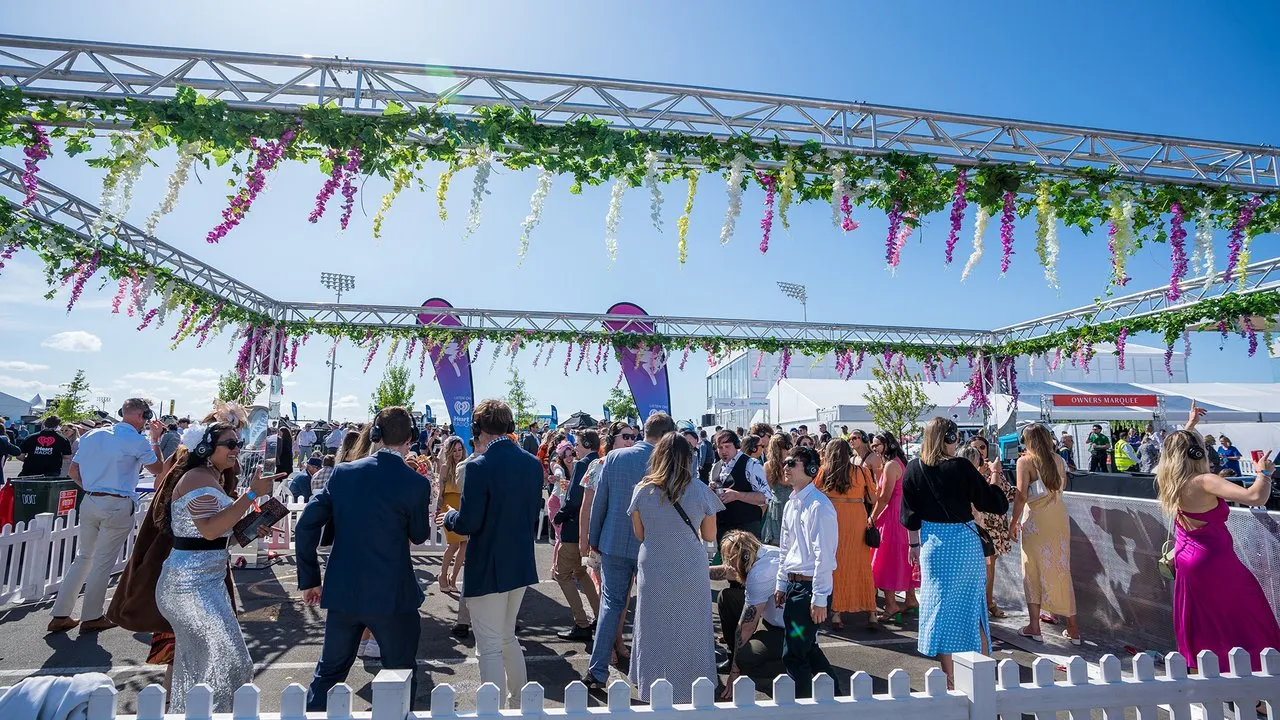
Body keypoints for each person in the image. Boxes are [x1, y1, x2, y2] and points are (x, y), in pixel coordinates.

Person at [297, 407, 434, 712]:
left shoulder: (344, 473)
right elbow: (420, 535)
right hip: (392, 594)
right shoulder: (415, 483)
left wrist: (310, 579)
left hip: (345, 590)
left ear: (375, 435)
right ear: (410, 438)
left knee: (330, 671)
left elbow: (306, 523)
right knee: (400, 672)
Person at [155, 422, 280, 712]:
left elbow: (214, 536)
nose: (237, 449)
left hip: (205, 583)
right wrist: (251, 495)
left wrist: (250, 530)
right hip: (188, 586)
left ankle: (189, 713)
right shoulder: (197, 477)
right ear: (207, 449)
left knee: (197, 667)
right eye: (230, 444)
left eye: (239, 443)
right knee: (232, 663)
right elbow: (210, 531)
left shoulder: (210, 478)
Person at [1161, 402, 1280, 675]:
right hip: (1214, 561)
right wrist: (1264, 472)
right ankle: (1258, 681)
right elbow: (1255, 497)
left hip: (1187, 561)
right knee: (1248, 617)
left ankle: (1208, 674)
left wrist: (1190, 425)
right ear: (1197, 452)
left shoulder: (1170, 479)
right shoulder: (1204, 480)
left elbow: (1170, 451)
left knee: (1204, 621)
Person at [439, 400, 543, 710]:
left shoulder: (478, 466)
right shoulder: (531, 463)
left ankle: (493, 710)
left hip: (489, 565)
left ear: (478, 429)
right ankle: (520, 702)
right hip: (520, 561)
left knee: (489, 647)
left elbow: (469, 522)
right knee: (507, 637)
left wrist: (449, 518)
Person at [901, 417, 1010, 685]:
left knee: (941, 611)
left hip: (933, 547)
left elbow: (909, 517)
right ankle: (983, 681)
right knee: (973, 612)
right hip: (963, 547)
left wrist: (913, 545)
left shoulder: (914, 468)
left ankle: (950, 680)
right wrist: (994, 475)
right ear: (949, 438)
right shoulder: (961, 467)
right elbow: (994, 503)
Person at [48, 398, 169, 634]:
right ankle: (91, 616)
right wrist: (155, 440)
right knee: (102, 562)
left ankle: (61, 613)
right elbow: (158, 470)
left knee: (84, 557)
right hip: (117, 502)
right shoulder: (137, 440)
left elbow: (74, 470)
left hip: (92, 498)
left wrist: (94, 489)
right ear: (140, 416)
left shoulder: (93, 436)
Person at [628, 432, 724, 703]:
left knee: (654, 629)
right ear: (688, 458)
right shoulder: (700, 489)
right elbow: (709, 535)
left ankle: (651, 685)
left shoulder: (642, 490)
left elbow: (639, 533)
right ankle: (693, 686)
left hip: (655, 564)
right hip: (689, 567)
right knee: (691, 628)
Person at [583, 412, 676, 691]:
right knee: (651, 607)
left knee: (611, 606)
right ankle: (654, 671)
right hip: (652, 543)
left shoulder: (614, 457)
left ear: (644, 431)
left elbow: (601, 503)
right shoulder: (667, 461)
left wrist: (595, 539)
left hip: (614, 542)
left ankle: (597, 670)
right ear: (667, 435)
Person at [773, 445, 840, 698]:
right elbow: (785, 547)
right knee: (808, 648)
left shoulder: (819, 506)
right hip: (795, 586)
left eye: (792, 463)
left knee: (794, 654)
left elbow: (824, 555)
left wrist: (820, 597)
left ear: (811, 470)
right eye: (786, 462)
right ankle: (839, 698)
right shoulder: (792, 503)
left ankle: (803, 707)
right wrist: (781, 583)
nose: (786, 466)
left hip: (810, 587)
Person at [1010, 424, 1081, 644]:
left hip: (1036, 520)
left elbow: (1021, 495)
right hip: (1058, 518)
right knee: (1060, 569)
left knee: (1031, 569)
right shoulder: (1058, 459)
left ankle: (1034, 626)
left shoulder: (1025, 461)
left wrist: (1013, 521)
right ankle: (1073, 627)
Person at [577, 421, 636, 659]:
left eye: (634, 437)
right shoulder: (598, 465)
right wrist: (584, 538)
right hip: (602, 539)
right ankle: (608, 645)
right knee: (607, 595)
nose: (631, 441)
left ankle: (618, 639)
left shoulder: (635, 463)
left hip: (630, 539)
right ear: (612, 438)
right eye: (626, 436)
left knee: (624, 597)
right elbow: (586, 505)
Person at [814, 439, 876, 631]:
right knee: (861, 563)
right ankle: (871, 611)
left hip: (833, 517)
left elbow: (814, 492)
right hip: (857, 516)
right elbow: (873, 497)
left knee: (836, 563)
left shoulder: (824, 472)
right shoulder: (861, 471)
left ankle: (837, 613)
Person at [715, 530, 785, 697]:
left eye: (730, 558)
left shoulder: (761, 573)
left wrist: (734, 672)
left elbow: (746, 626)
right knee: (728, 597)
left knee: (746, 657)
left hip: (787, 630)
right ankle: (736, 657)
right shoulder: (761, 552)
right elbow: (725, 570)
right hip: (772, 619)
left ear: (744, 556)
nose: (728, 564)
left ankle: (792, 665)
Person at [552, 429, 600, 641]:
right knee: (581, 573)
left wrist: (560, 517)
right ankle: (600, 617)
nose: (575, 448)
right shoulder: (602, 461)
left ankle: (581, 623)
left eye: (578, 444)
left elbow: (574, 500)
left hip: (574, 530)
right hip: (593, 530)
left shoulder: (583, 465)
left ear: (587, 444)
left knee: (561, 574)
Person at [868, 431, 917, 622]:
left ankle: (891, 605)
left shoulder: (890, 465)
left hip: (892, 517)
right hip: (901, 515)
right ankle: (911, 600)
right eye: (872, 445)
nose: (874, 448)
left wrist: (872, 518)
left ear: (887, 444)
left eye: (877, 445)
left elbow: (884, 498)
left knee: (885, 560)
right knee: (901, 558)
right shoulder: (899, 462)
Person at [966, 436, 1015, 619]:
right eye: (975, 448)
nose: (980, 450)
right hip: (976, 525)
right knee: (975, 568)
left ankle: (988, 602)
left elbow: (1008, 494)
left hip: (993, 525)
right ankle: (978, 604)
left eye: (982, 447)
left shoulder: (995, 470)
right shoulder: (969, 471)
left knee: (990, 567)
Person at [435, 436, 468, 593]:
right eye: (454, 450)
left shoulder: (467, 466)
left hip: (463, 507)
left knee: (465, 545)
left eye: (460, 450)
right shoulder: (445, 468)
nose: (457, 453)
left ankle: (453, 579)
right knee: (454, 544)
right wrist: (438, 509)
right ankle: (442, 576)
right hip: (448, 507)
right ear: (449, 451)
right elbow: (440, 494)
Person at [759, 433, 794, 545]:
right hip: (777, 508)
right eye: (784, 446)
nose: (787, 449)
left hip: (791, 505)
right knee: (778, 542)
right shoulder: (769, 466)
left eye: (788, 445)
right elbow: (767, 492)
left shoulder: (793, 463)